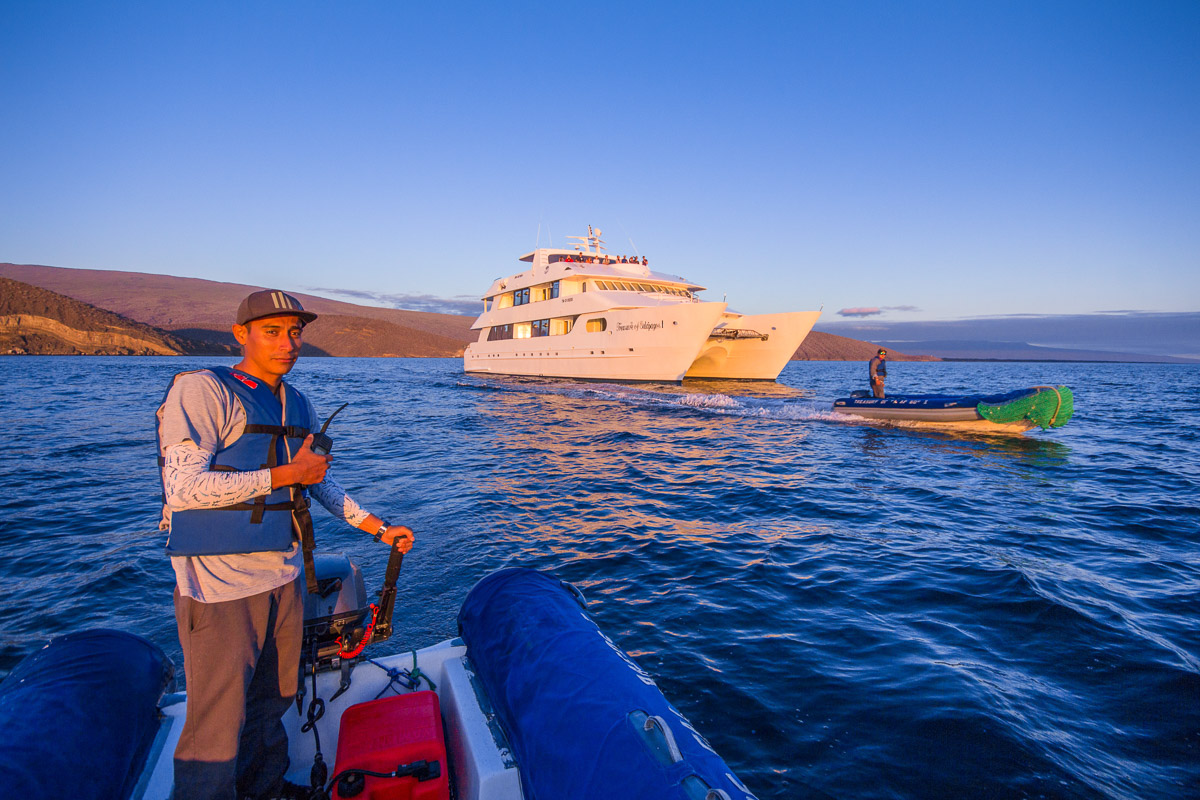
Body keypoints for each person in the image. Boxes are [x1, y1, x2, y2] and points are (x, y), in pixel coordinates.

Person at [156, 289, 414, 800]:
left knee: (275, 697)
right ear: (241, 335)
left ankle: (266, 789)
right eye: (272, 331)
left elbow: (316, 482)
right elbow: (183, 489)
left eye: (295, 333)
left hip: (284, 574)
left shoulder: (297, 402)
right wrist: (285, 473)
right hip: (218, 583)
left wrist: (377, 527)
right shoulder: (204, 390)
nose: (288, 343)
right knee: (217, 718)